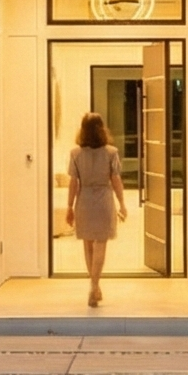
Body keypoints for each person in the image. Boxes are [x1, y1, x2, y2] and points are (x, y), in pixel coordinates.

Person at [65, 112, 127, 307]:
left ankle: (94, 285)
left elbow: (73, 183)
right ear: (102, 129)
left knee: (88, 244)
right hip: (103, 200)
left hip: (84, 200)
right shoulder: (111, 152)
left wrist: (69, 207)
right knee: (101, 243)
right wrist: (122, 203)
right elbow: (116, 180)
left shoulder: (75, 154)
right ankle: (94, 285)